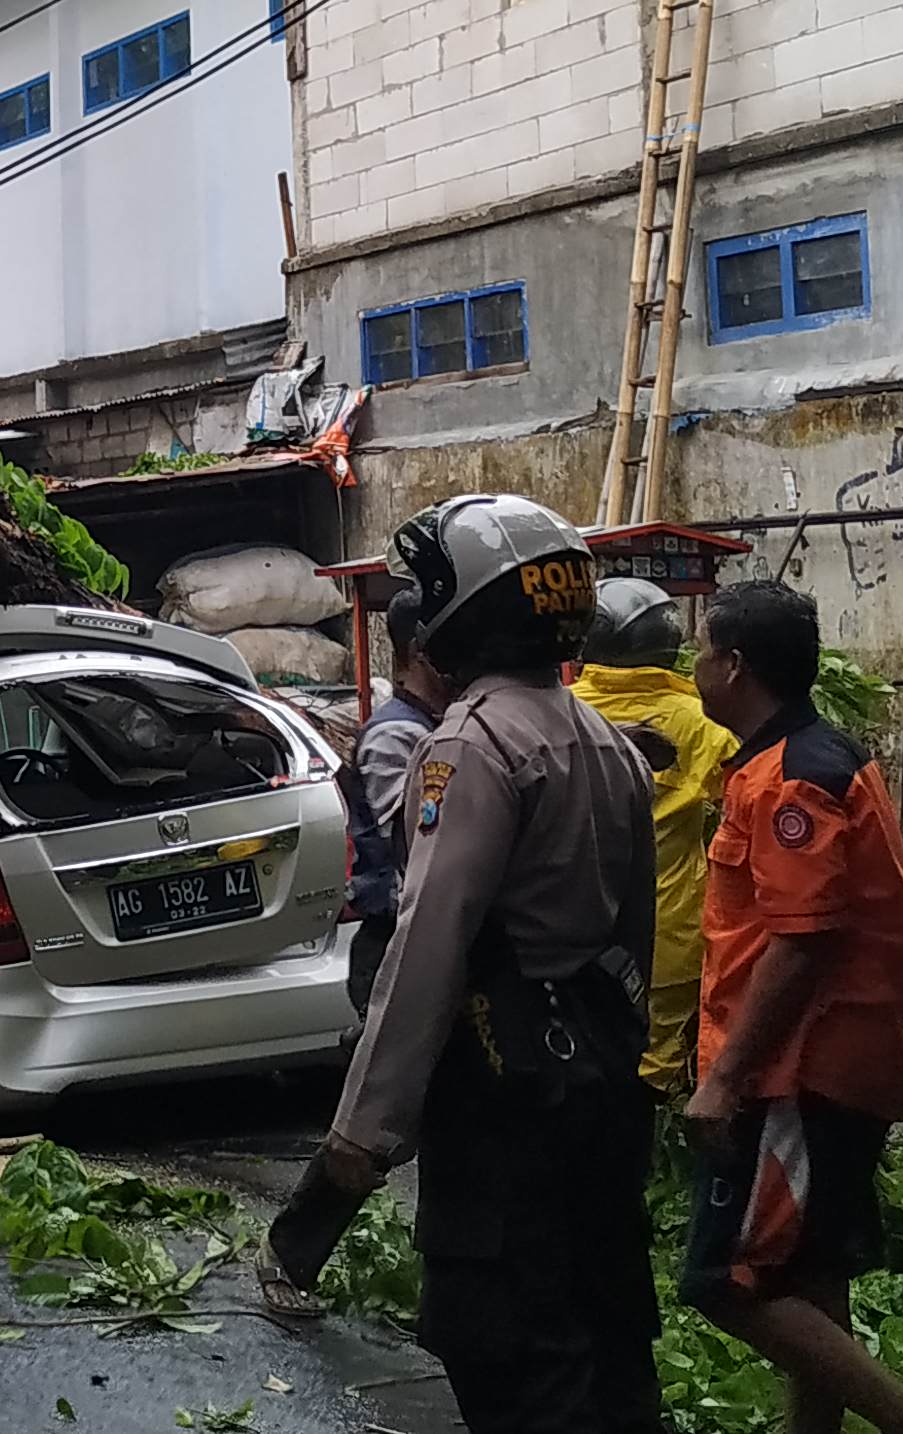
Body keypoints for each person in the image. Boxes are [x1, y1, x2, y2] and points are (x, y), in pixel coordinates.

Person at [263, 494, 662, 1434]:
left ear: (471, 608)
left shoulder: (473, 746)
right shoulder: (608, 742)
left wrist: (363, 1132)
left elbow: (430, 943)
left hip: (504, 1101)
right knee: (611, 1340)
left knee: (517, 1355)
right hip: (598, 1088)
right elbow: (633, 939)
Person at [678, 577, 903, 1434]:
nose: (693, 664)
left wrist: (727, 1077)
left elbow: (801, 941)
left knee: (723, 1282)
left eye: (703, 649)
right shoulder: (805, 757)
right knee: (811, 1274)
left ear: (736, 665)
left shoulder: (792, 781)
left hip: (801, 1068)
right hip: (835, 1059)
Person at [564, 577, 733, 1094]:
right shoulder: (703, 723)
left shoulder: (557, 712)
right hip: (669, 933)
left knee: (580, 1054)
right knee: (654, 1070)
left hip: (570, 928)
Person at [340, 588, 450, 1013]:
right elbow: (419, 846)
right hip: (394, 946)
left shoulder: (432, 723)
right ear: (420, 652)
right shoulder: (395, 735)